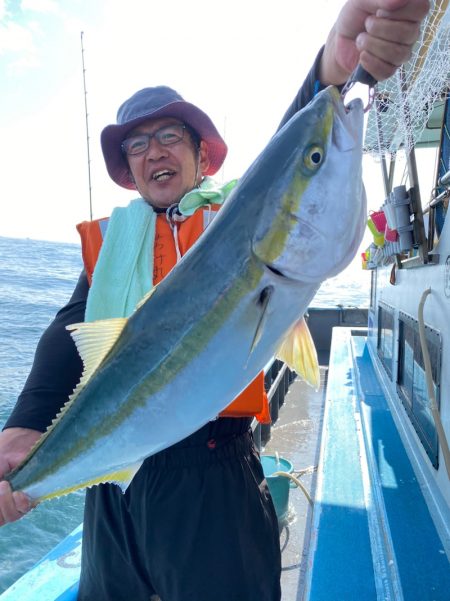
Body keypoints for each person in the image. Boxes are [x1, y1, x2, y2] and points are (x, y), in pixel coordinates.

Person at [0, 1, 429, 599]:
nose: (153, 152)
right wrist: (22, 428)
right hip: (115, 487)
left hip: (214, 478)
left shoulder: (230, 220)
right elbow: (69, 328)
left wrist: (330, 73)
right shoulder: (109, 245)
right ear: (129, 171)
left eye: (169, 137)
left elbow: (279, 172)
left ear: (202, 156)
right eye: (137, 145)